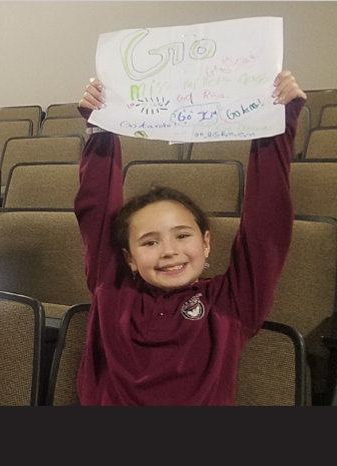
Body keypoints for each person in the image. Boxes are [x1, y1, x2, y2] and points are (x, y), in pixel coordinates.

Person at [74, 71, 305, 405]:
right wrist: (100, 127)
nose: (169, 251)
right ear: (128, 258)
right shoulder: (111, 289)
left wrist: (277, 124)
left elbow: (267, 224)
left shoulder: (232, 302)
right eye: (149, 242)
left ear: (206, 243)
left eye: (182, 235)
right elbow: (96, 209)